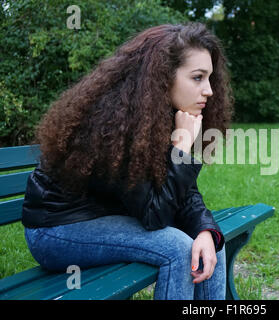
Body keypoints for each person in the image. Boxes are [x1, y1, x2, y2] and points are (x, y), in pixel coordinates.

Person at [21, 22, 234, 300]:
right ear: (163, 75)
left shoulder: (162, 112)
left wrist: (205, 229)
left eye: (209, 78)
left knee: (209, 245)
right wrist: (181, 148)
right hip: (56, 229)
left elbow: (183, 194)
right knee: (179, 249)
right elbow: (154, 216)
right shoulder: (116, 122)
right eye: (197, 78)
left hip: (110, 217)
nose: (209, 90)